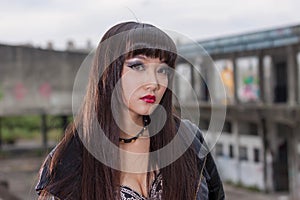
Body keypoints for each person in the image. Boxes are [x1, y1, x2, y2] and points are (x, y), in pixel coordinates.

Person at [36, 21, 225, 200]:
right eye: (137, 66)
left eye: (163, 70)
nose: (154, 83)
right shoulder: (67, 162)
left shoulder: (188, 139)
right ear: (108, 71)